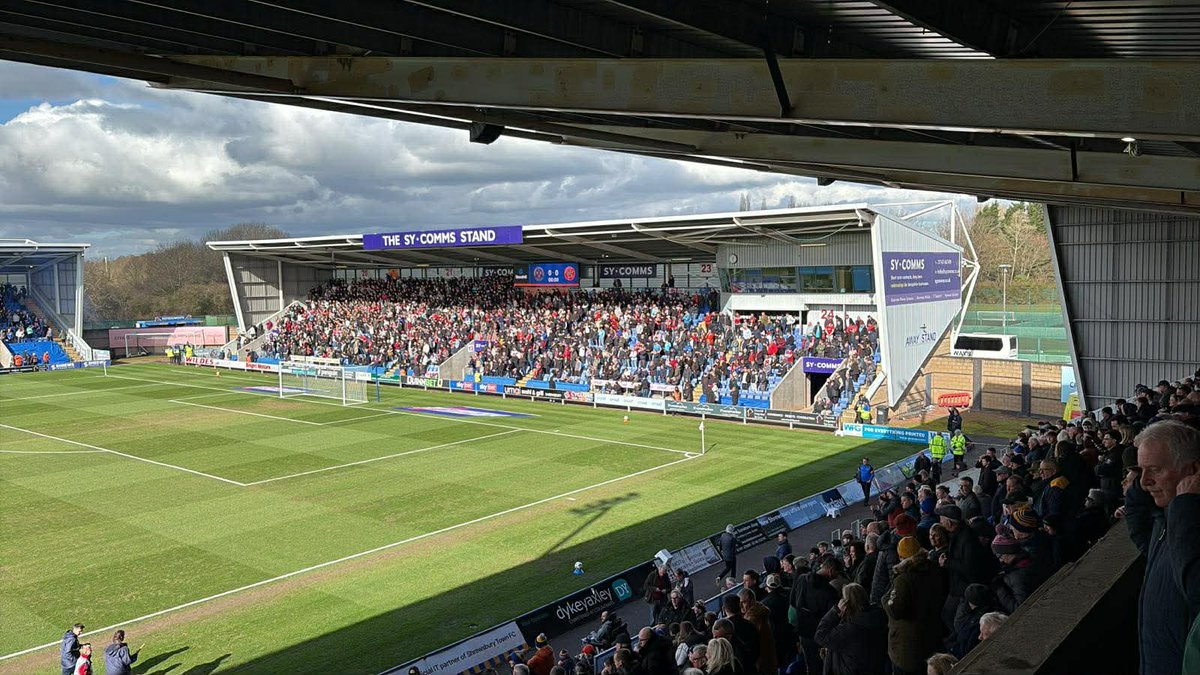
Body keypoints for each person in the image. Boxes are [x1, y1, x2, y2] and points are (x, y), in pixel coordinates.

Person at [1124, 420, 1200, 675]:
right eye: (1140, 470)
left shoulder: (1187, 525)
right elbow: (1144, 539)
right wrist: (1138, 489)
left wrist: (1186, 507)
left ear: (1193, 471)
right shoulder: (1166, 517)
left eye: (1154, 469)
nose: (1145, 481)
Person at [883, 537, 948, 675]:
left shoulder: (904, 579)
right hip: (931, 639)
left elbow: (896, 610)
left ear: (901, 557)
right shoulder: (933, 569)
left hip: (908, 649)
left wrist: (885, 599)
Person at [813, 582, 888, 675]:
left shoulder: (850, 628)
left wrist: (835, 611)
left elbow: (820, 635)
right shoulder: (878, 616)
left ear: (846, 603)